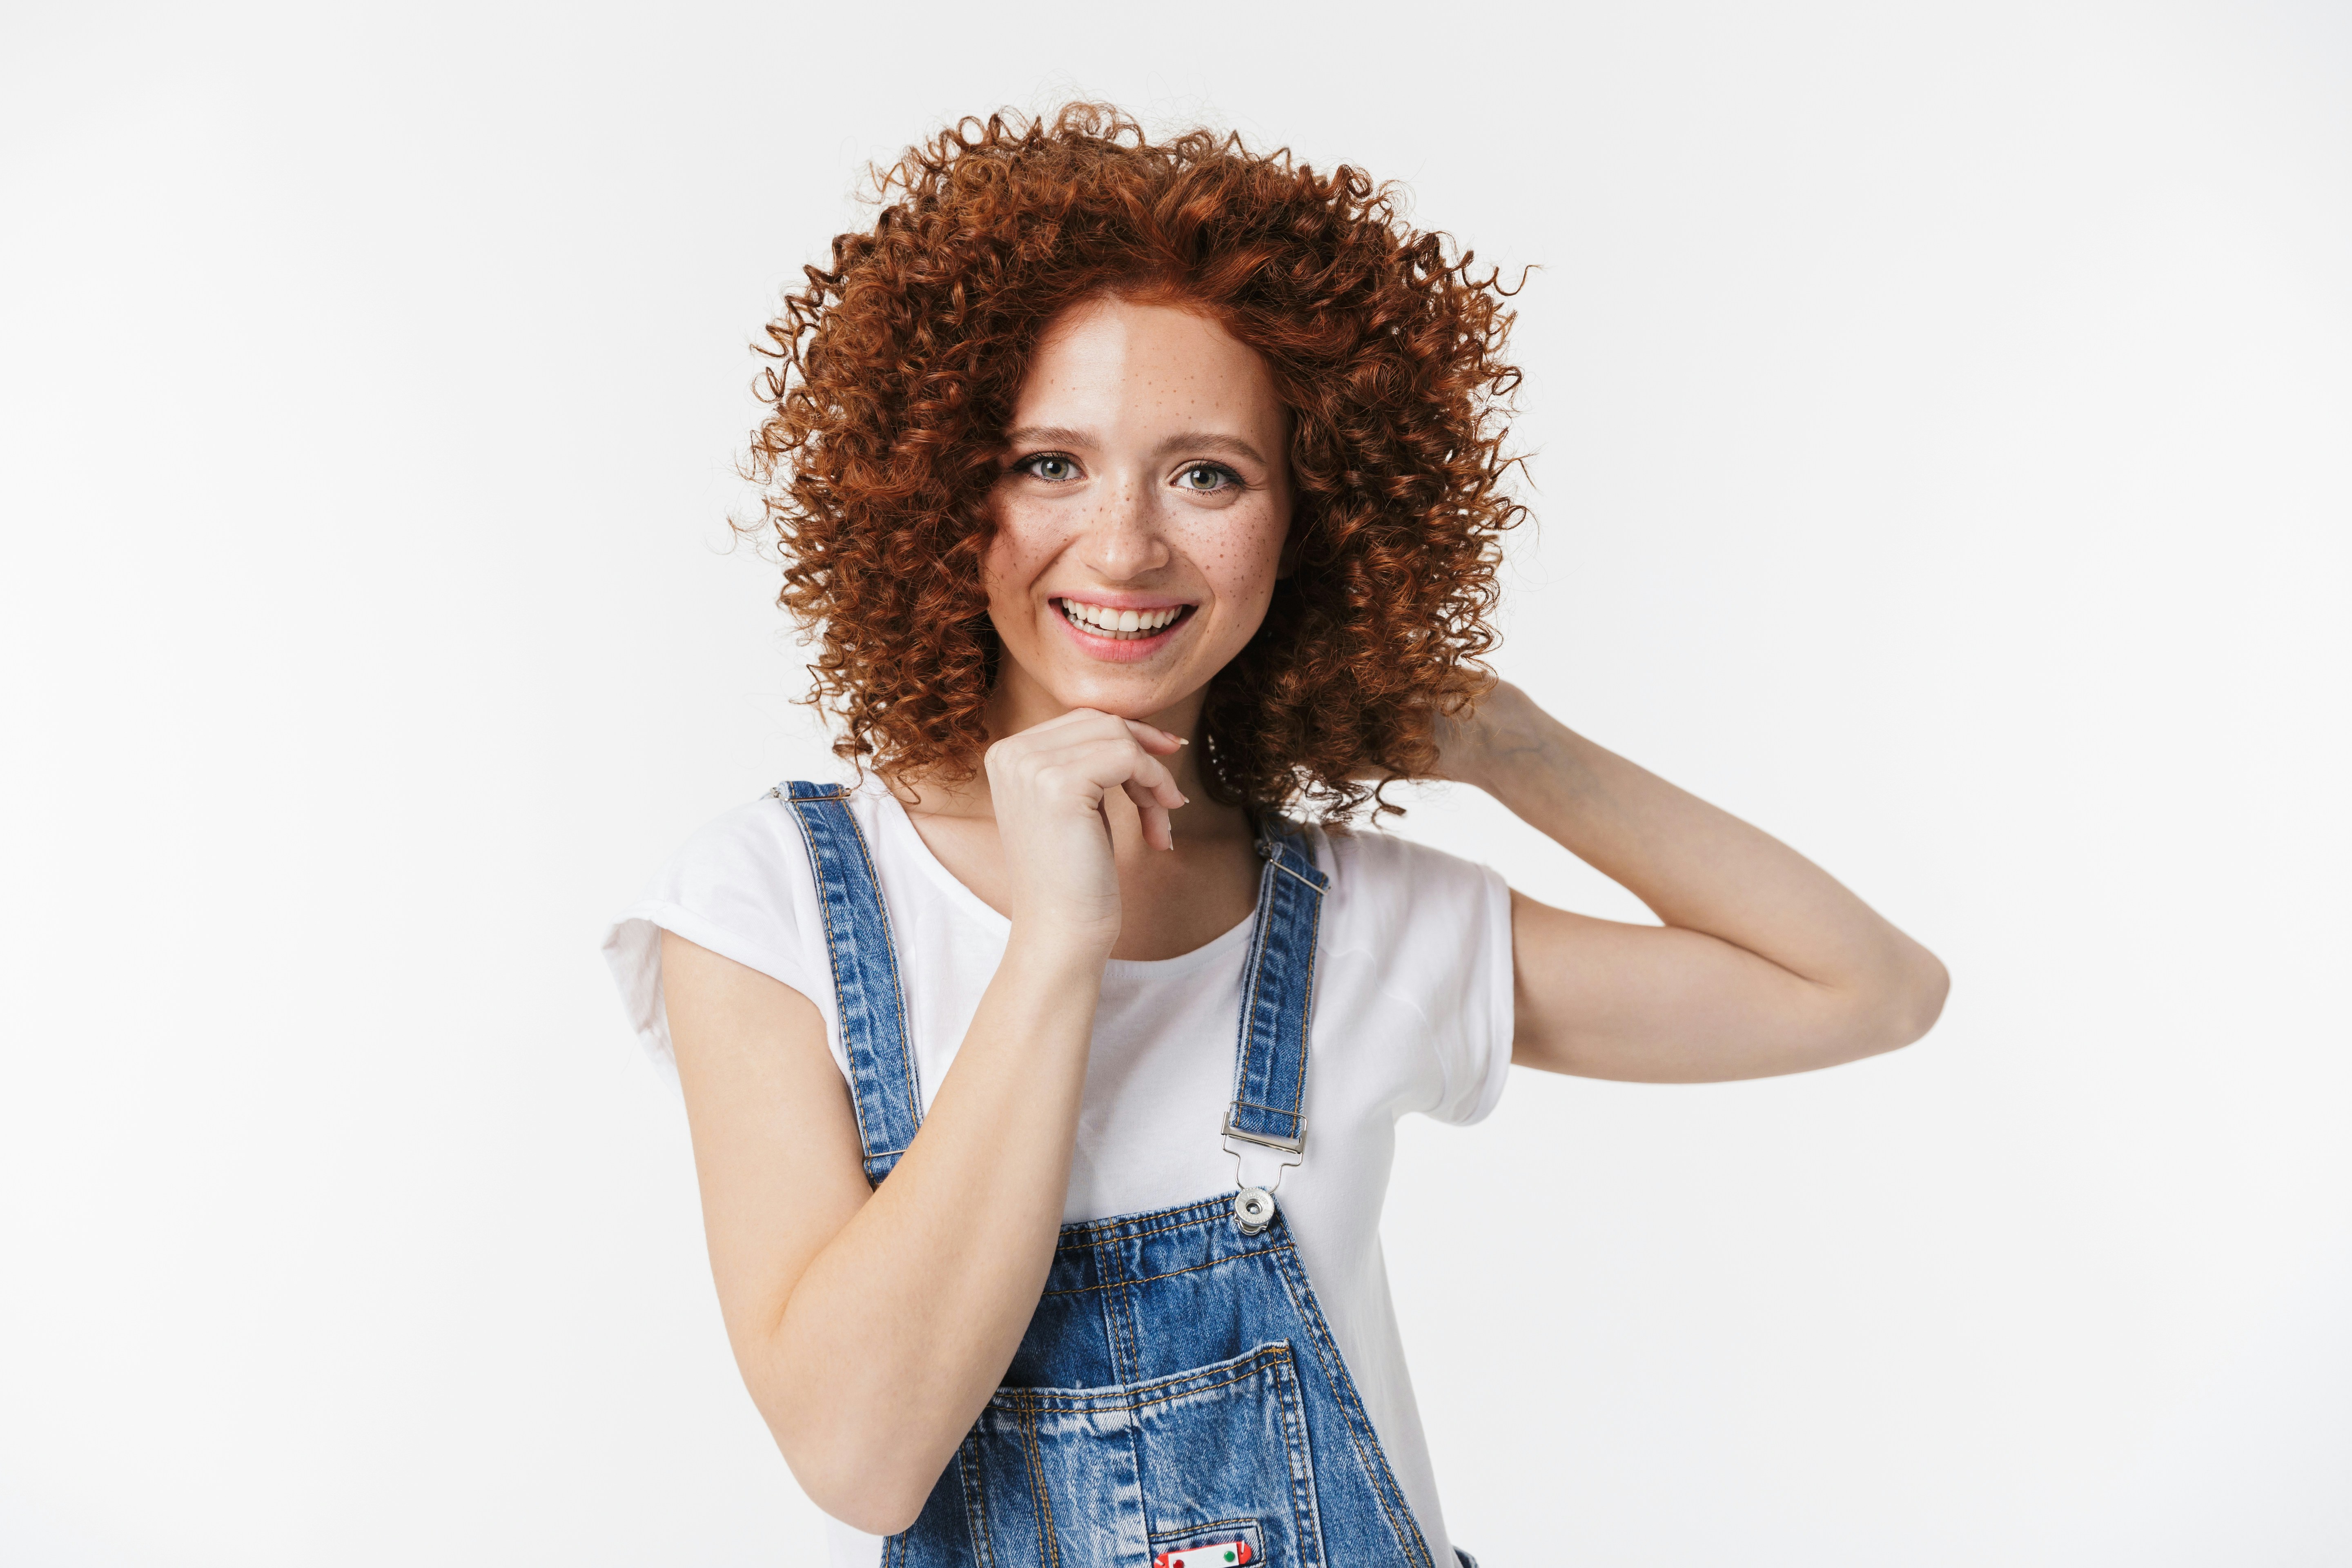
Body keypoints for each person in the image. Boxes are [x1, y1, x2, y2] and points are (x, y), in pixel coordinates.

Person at [604, 105, 1948, 1568]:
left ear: (1311, 520)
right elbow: (862, 1457)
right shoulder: (776, 907)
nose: (1126, 546)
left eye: (1209, 475)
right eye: (1050, 463)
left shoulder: (1363, 922)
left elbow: (1868, 991)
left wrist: (1510, 745)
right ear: (943, 491)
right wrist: (1060, 940)